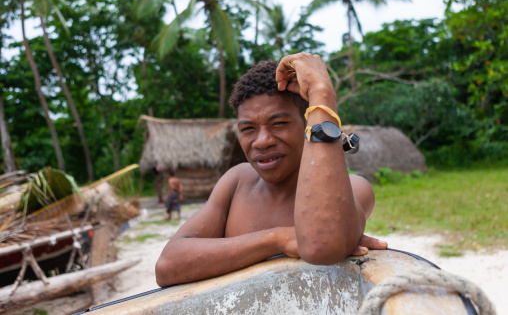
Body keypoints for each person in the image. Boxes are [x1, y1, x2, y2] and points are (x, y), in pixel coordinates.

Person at [156, 53, 387, 287]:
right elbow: (167, 266)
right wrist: (278, 239)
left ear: (308, 124)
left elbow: (320, 244)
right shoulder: (238, 182)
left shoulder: (354, 188)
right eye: (248, 128)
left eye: (279, 124)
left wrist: (321, 92)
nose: (262, 141)